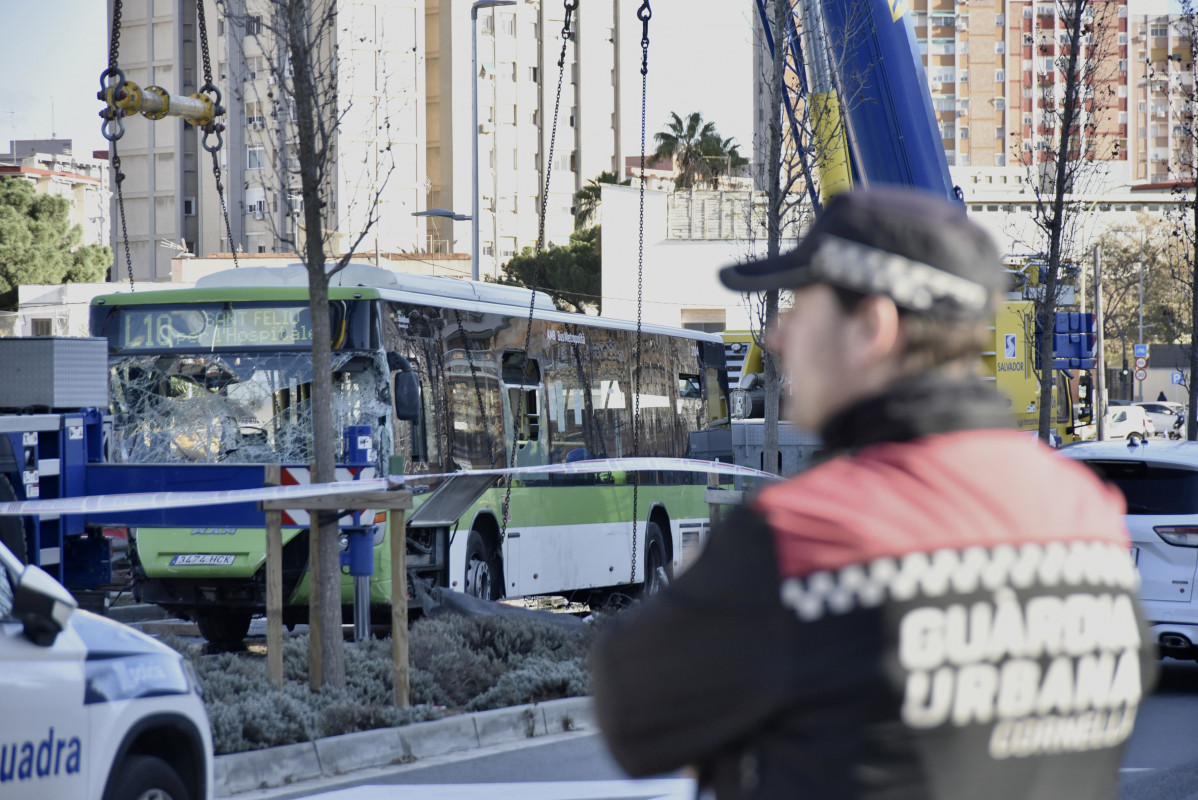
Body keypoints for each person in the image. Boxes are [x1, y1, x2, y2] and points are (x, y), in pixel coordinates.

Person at [591, 186, 1156, 800]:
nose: (779, 337)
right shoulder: (1087, 516)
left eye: (801, 307)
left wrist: (710, 577)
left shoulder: (802, 538)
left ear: (871, 327)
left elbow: (633, 716)